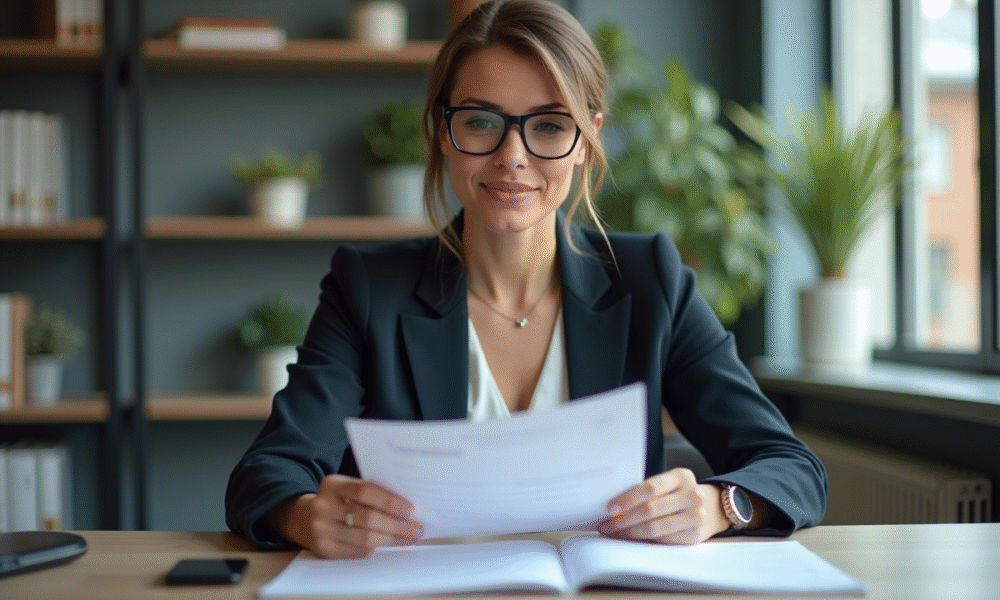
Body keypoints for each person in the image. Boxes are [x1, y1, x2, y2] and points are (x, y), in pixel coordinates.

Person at [225, 0, 827, 559]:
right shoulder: (368, 290)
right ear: (442, 131)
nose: (512, 155)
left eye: (549, 125)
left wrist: (717, 506)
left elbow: (790, 466)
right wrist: (304, 515)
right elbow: (266, 474)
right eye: (481, 121)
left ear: (586, 141)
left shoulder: (651, 282)